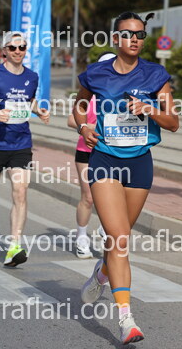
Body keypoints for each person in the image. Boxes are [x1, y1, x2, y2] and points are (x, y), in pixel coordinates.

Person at [73, 12, 179, 345]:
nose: (134, 40)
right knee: (119, 238)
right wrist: (84, 127)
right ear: (115, 38)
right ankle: (126, 319)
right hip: (104, 160)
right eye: (128, 34)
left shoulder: (155, 74)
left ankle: (102, 273)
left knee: (118, 240)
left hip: (139, 163)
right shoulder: (96, 73)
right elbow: (79, 106)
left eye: (140, 35)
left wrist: (150, 110)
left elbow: (174, 122)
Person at [0, 32, 50, 267]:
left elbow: (29, 100)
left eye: (22, 47)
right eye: (13, 48)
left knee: (20, 192)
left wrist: (39, 110)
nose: (18, 51)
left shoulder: (32, 76)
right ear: (4, 50)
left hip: (21, 143)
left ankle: (14, 245)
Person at [66, 51, 116, 258]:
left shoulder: (123, 94)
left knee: (112, 199)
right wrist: (91, 127)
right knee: (88, 197)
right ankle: (81, 238)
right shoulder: (90, 94)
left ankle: (105, 228)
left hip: (113, 153)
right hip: (86, 152)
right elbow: (71, 120)